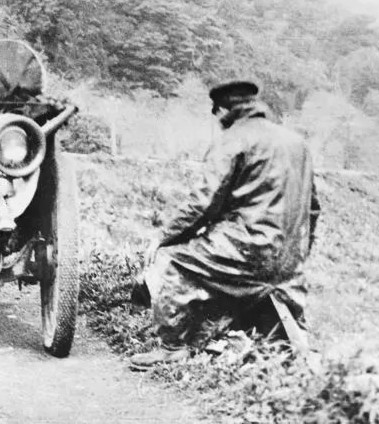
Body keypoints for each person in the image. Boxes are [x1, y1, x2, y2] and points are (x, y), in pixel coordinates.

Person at [128, 80, 320, 371]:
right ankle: (286, 356)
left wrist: (164, 237)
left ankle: (173, 348)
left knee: (171, 261)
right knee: (275, 303)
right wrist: (299, 251)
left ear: (222, 110)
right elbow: (313, 208)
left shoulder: (233, 139)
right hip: (289, 258)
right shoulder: (298, 144)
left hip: (245, 250)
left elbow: (203, 203)